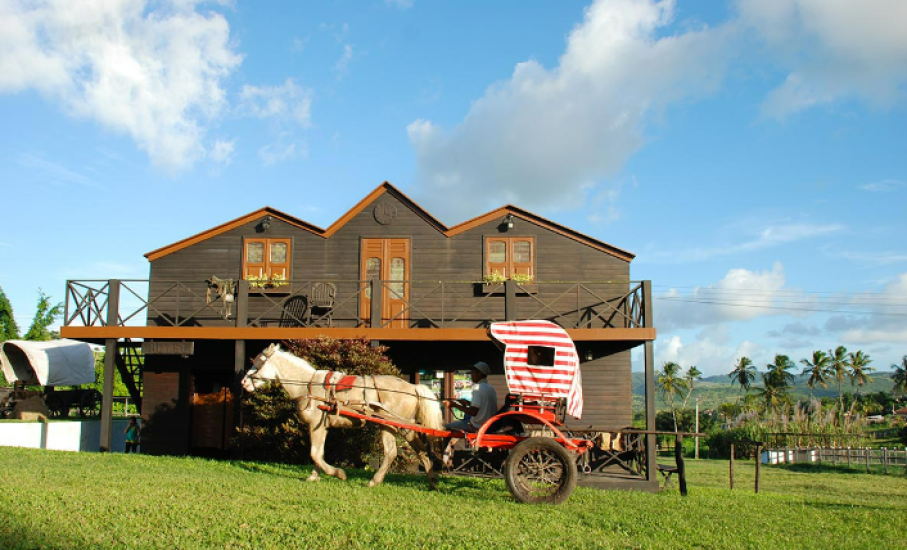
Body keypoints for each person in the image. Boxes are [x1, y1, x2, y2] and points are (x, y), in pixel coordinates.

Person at [444, 361, 498, 433]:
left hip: (477, 426)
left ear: (480, 373)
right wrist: (469, 403)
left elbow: (473, 412)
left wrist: (454, 405)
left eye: (473, 373)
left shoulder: (477, 388)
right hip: (489, 425)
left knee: (446, 427)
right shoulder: (491, 388)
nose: (471, 375)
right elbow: (483, 406)